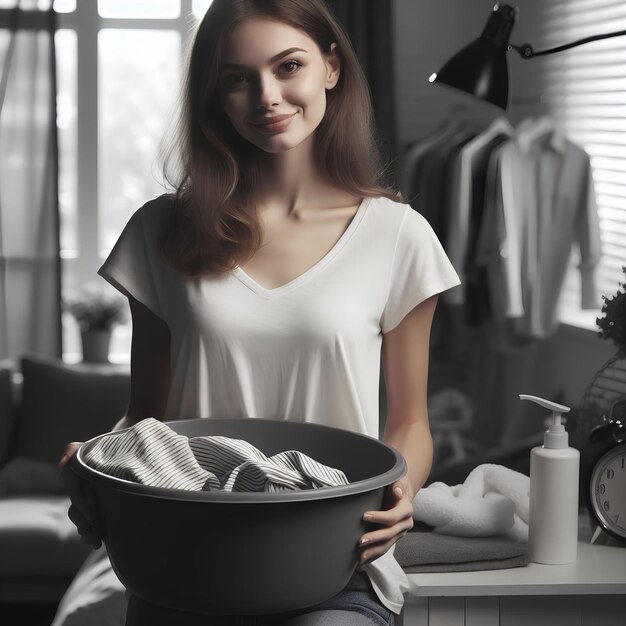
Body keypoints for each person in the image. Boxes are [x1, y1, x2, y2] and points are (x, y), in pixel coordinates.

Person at [59, 0, 460, 624]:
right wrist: (96, 461)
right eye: (237, 79)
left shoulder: (398, 236)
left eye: (288, 66)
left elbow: (410, 421)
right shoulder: (161, 231)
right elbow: (146, 418)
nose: (266, 96)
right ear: (214, 97)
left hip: (333, 561)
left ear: (331, 67)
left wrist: (399, 492)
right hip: (181, 555)